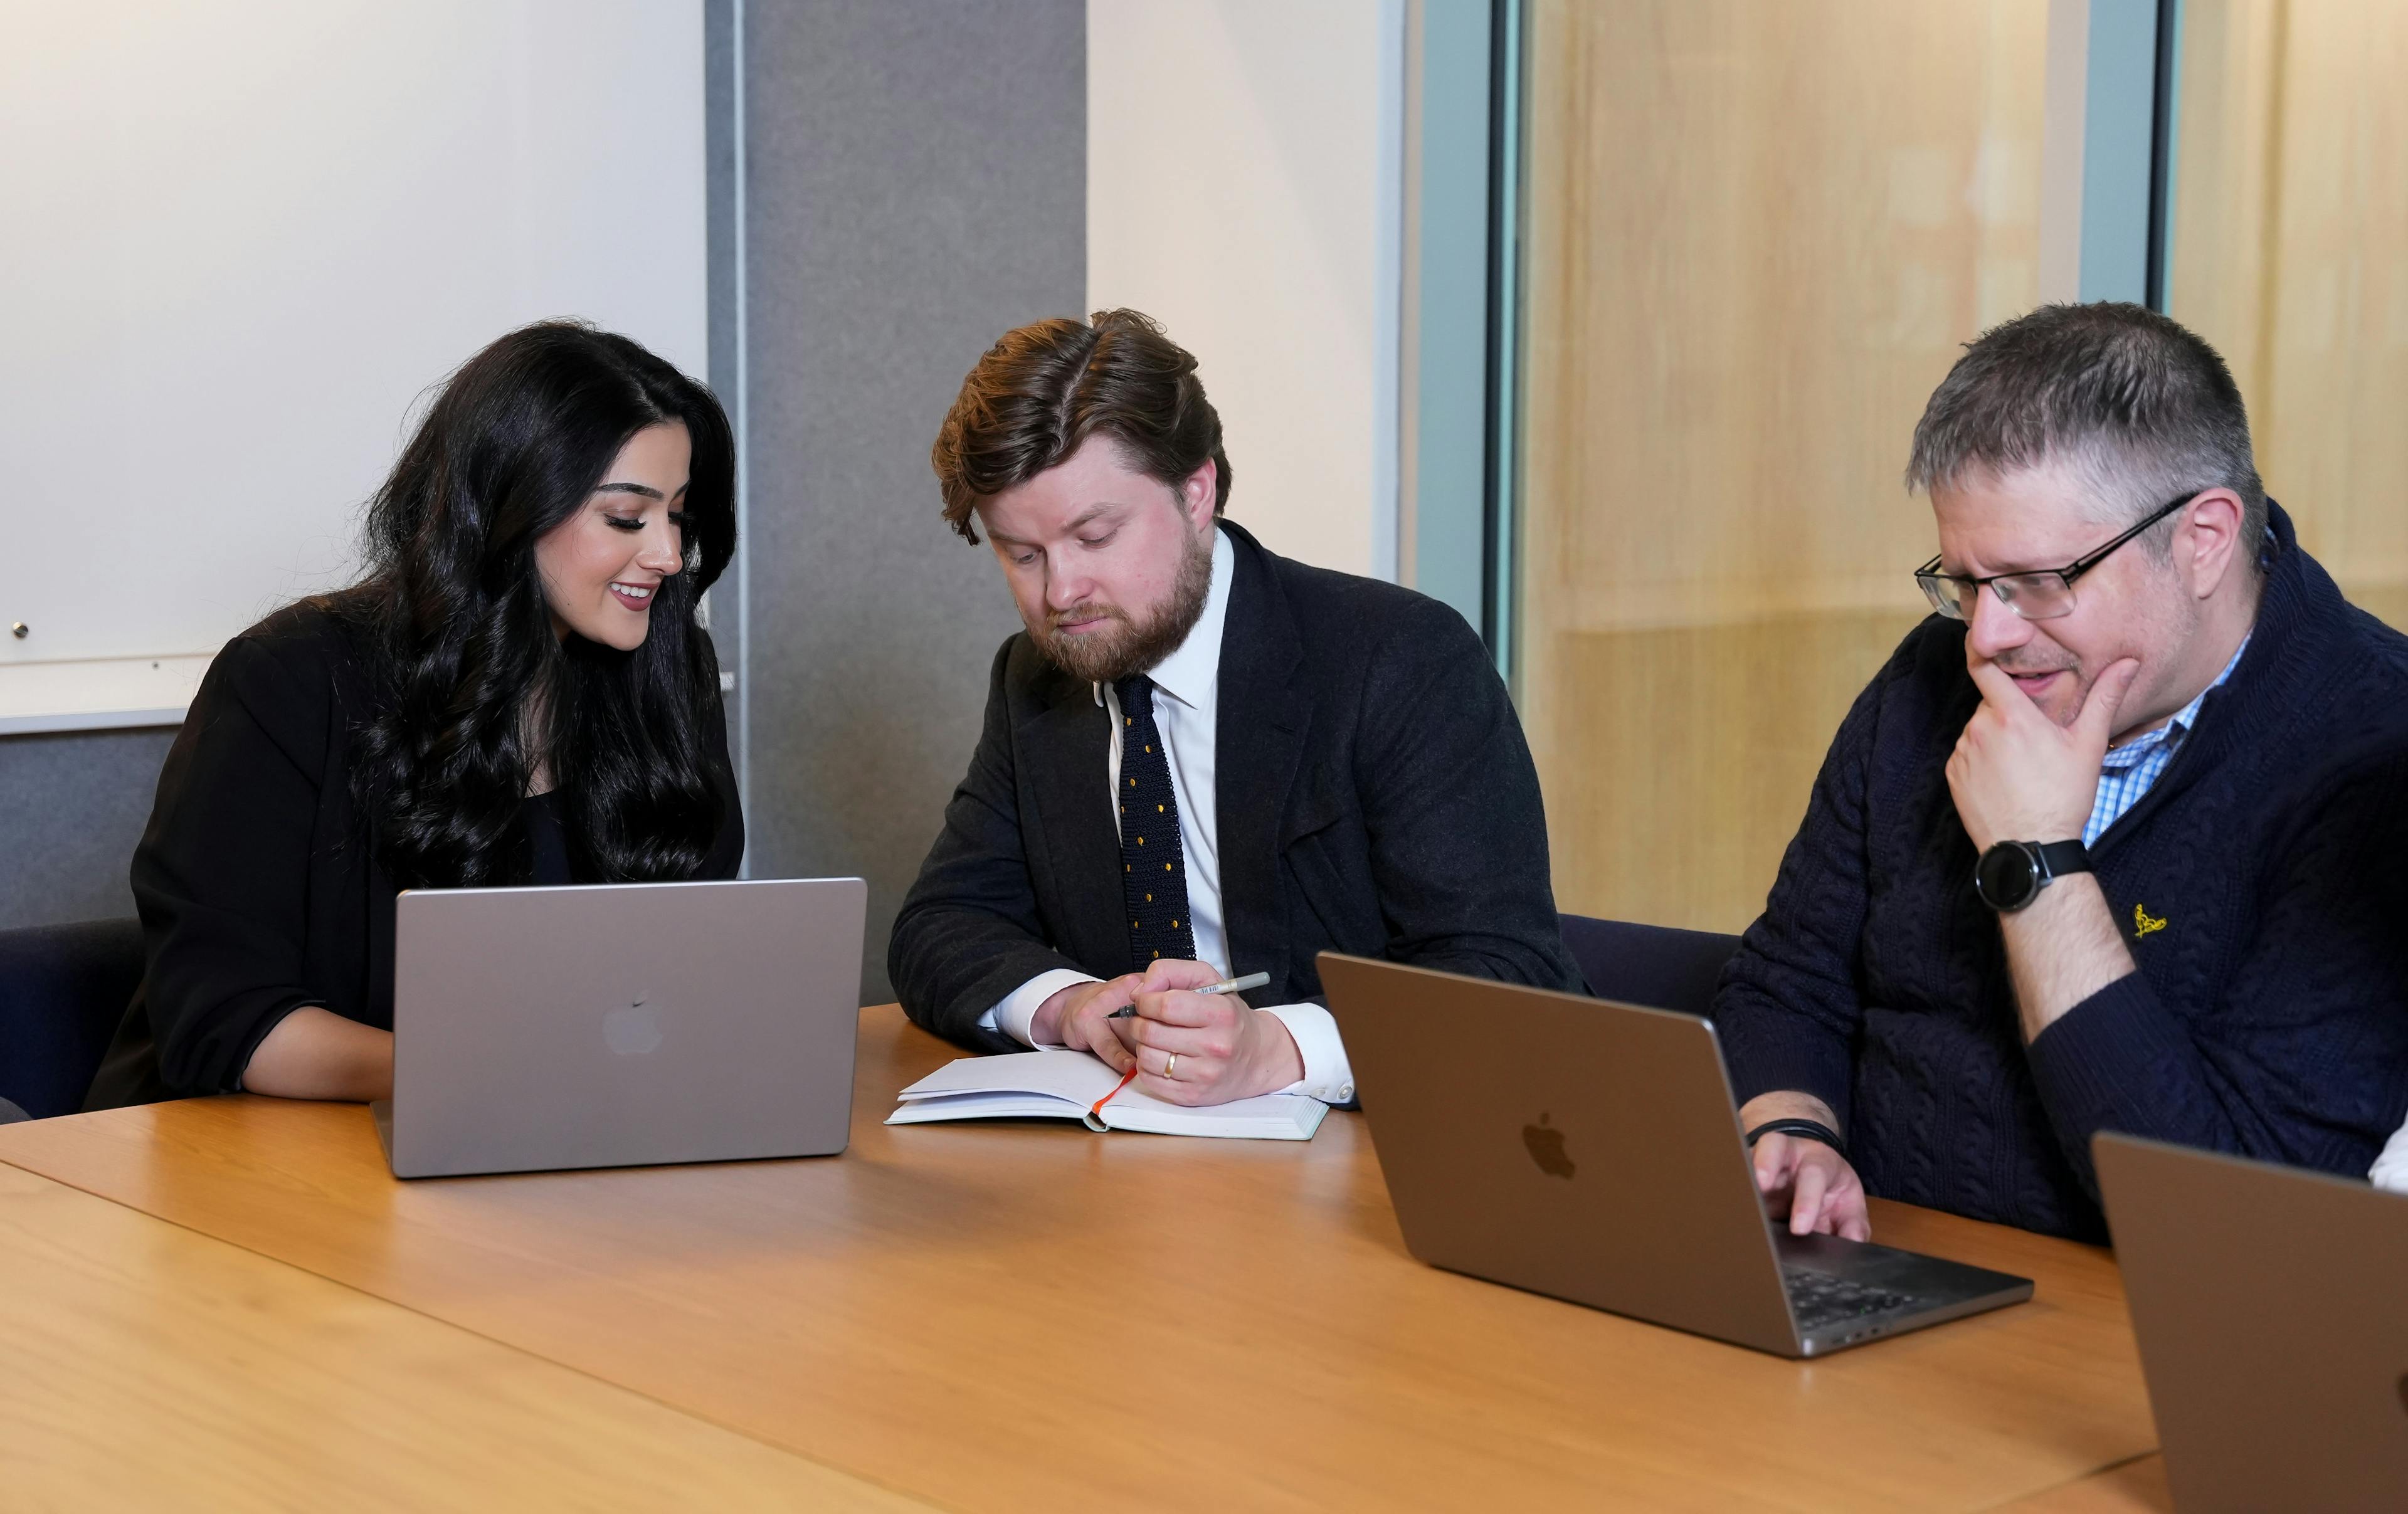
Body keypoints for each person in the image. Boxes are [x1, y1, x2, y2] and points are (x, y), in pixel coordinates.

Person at [1712, 302, 2408, 1242]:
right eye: (1964, 583)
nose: (1987, 639)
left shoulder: (2374, 757)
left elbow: (2228, 1217)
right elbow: (1788, 982)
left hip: (2138, 1346)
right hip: (1882, 1273)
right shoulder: (1928, 682)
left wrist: (2036, 862)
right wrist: (1794, 1132)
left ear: (2202, 540)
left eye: (2038, 581)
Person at [890, 308, 1582, 1108]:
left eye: (1096, 536)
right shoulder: (1035, 679)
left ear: (1197, 492)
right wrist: (1067, 1005)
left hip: (1392, 1158)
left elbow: (1511, 974)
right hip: (1156, 1174)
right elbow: (940, 926)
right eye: (1023, 554)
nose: (1061, 592)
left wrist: (1282, 1048)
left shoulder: (1398, 659)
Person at [85, 322, 742, 1109]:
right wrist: (493, 1080)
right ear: (509, 507)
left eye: (681, 518)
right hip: (259, 1153)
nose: (668, 556)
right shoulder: (291, 679)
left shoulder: (668, 674)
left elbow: (675, 970)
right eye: (629, 519)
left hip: (554, 1138)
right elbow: (223, 1020)